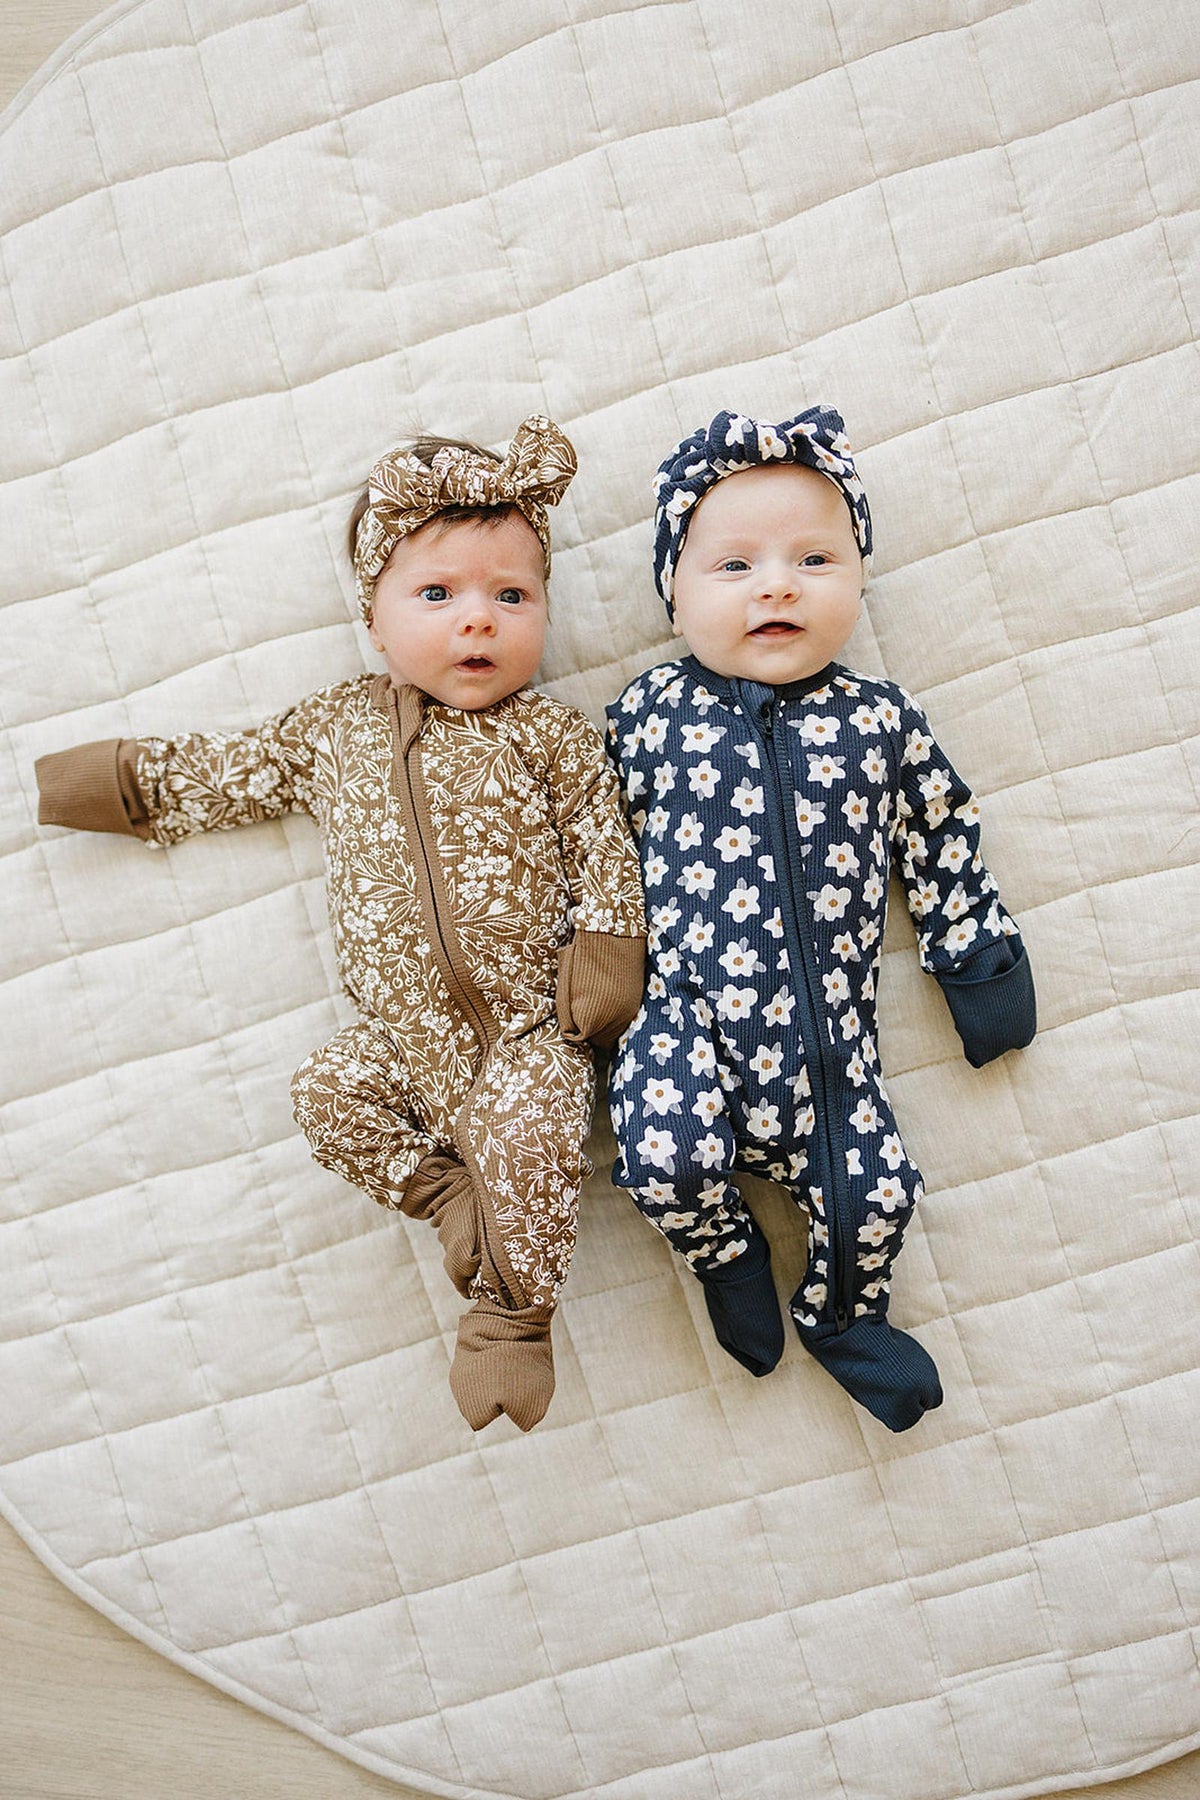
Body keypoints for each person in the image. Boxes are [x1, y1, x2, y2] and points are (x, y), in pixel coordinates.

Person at [35, 415, 646, 1435]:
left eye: (512, 595)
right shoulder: (339, 726)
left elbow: (602, 840)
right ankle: (449, 1195)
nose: (478, 622)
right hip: (404, 1047)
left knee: (536, 1130)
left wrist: (611, 941)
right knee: (323, 1092)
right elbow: (238, 772)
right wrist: (123, 782)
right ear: (374, 618)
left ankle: (510, 1316)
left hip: (530, 1031)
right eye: (437, 595)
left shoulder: (554, 736)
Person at [605, 406, 1035, 1432]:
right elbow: (588, 844)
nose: (777, 584)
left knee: (879, 1196)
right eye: (733, 566)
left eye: (814, 558)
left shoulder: (881, 720)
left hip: (830, 1061)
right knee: (658, 1160)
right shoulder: (646, 715)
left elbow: (940, 834)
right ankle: (724, 1250)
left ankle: (842, 1315)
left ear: (858, 578)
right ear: (673, 597)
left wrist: (976, 962)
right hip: (684, 1025)